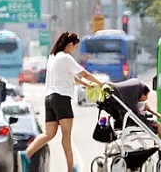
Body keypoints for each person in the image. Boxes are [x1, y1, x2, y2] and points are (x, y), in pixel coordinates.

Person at [17, 32, 105, 172]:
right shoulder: (65, 57)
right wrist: (101, 84)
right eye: (74, 47)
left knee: (49, 134)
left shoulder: (53, 57)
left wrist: (87, 85)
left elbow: (72, 77)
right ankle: (71, 169)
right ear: (70, 44)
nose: (74, 50)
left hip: (49, 98)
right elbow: (83, 73)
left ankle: (26, 154)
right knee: (66, 137)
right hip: (61, 98)